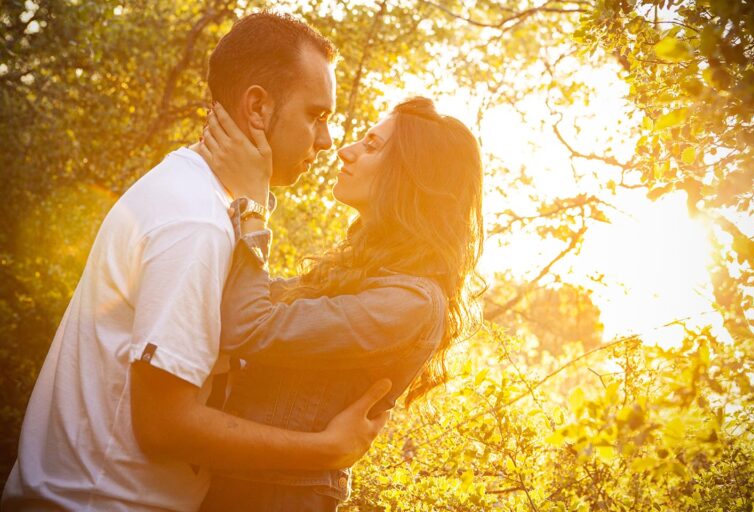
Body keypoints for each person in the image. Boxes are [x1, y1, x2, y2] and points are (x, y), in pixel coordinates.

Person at [2, 12, 392, 512]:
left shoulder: (202, 198)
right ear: (257, 107)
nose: (327, 140)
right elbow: (164, 426)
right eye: (316, 115)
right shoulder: (195, 220)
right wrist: (326, 450)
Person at [195, 96, 485, 511]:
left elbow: (248, 324)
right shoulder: (363, 270)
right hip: (243, 484)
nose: (346, 150)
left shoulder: (410, 303)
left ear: (411, 173)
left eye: (371, 145)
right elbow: (249, 296)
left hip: (278, 498)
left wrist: (253, 200)